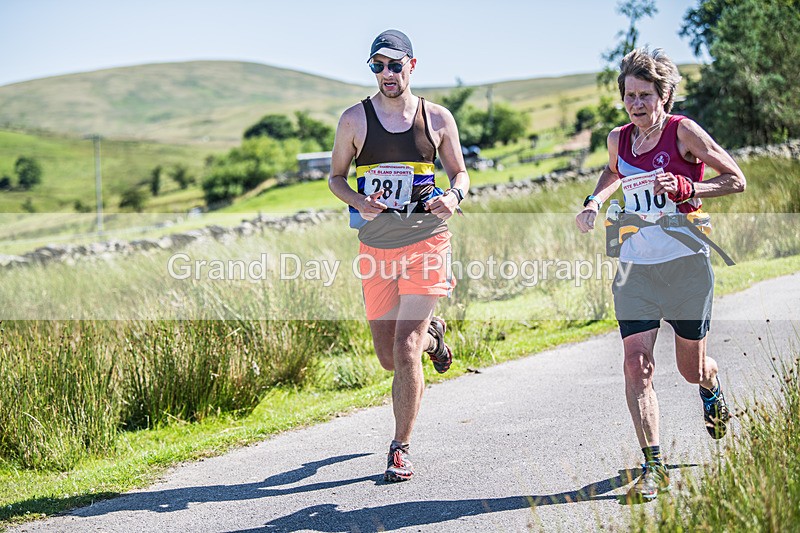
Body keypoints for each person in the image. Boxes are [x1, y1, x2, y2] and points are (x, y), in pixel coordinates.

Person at [575, 48, 746, 501]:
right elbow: (612, 173)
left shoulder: (683, 132)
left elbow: (737, 179)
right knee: (637, 366)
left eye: (645, 96)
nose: (636, 105)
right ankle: (654, 466)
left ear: (664, 95)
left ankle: (711, 385)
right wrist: (594, 202)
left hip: (687, 266)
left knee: (690, 370)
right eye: (629, 96)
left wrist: (691, 186)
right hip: (636, 268)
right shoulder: (619, 139)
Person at [328, 29, 470, 482]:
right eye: (378, 66)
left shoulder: (438, 118)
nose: (387, 74)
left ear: (412, 65)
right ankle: (435, 337)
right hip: (376, 247)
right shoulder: (354, 120)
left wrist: (454, 197)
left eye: (394, 65)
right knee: (388, 357)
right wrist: (357, 200)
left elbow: (461, 174)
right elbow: (335, 178)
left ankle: (399, 449)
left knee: (404, 348)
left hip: (428, 239)